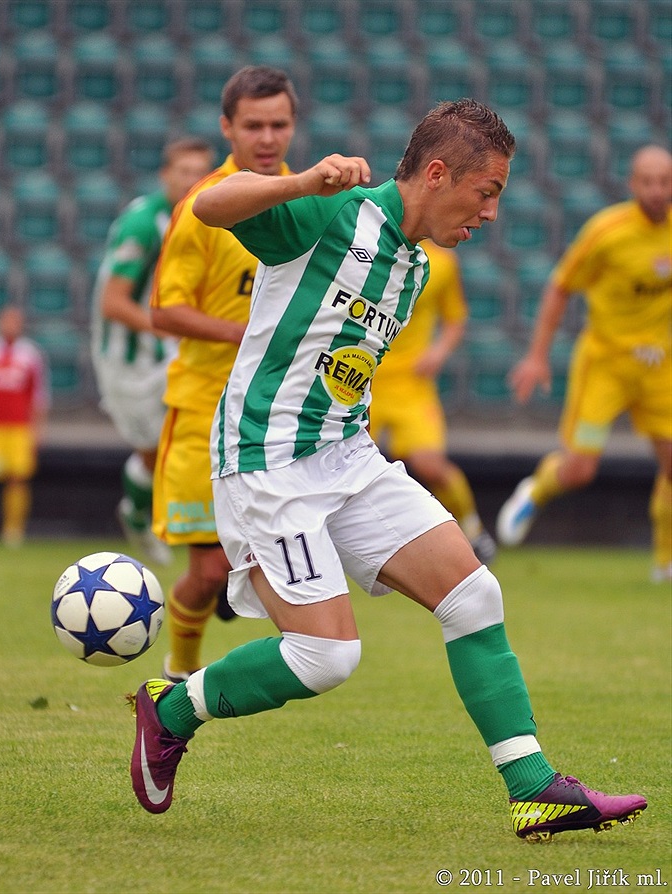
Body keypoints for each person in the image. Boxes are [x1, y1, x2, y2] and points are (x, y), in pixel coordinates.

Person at [128, 99, 647, 841]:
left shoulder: (415, 263)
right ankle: (170, 707)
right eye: (488, 191)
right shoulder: (333, 210)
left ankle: (534, 789)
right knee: (327, 656)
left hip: (347, 456)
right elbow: (207, 205)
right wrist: (301, 182)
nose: (492, 213)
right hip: (268, 459)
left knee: (474, 595)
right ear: (438, 174)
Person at [149, 66, 298, 683]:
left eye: (279, 124)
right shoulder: (201, 208)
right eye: (253, 125)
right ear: (227, 128)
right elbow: (163, 310)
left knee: (273, 573)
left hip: (274, 417)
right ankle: (177, 675)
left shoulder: (309, 193)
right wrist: (244, 334)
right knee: (207, 573)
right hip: (203, 410)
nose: (268, 138)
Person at [496, 145, 672, 583]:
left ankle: (664, 562)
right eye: (647, 181)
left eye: (664, 181)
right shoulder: (607, 232)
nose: (656, 190)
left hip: (660, 370)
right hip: (606, 366)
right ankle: (536, 489)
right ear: (633, 185)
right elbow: (560, 287)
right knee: (580, 469)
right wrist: (537, 356)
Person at [90, 137, 214, 566]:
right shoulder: (144, 223)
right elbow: (114, 302)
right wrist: (174, 327)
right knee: (155, 449)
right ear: (165, 174)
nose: (192, 180)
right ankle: (137, 512)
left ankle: (188, 523)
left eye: (201, 172)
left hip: (168, 354)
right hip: (130, 359)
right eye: (184, 171)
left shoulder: (202, 218)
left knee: (191, 432)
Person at [369, 240, 496, 564]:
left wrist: (438, 352)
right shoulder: (371, 245)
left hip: (412, 384)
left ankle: (474, 531)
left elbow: (456, 318)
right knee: (341, 466)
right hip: (362, 378)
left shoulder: (443, 263)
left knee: (431, 465)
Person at [0, 305, 50, 546]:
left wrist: (37, 430)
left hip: (19, 429)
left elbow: (39, 396)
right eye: (7, 321)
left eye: (15, 321)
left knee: (18, 477)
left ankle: (13, 532)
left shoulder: (31, 355)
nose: (11, 326)